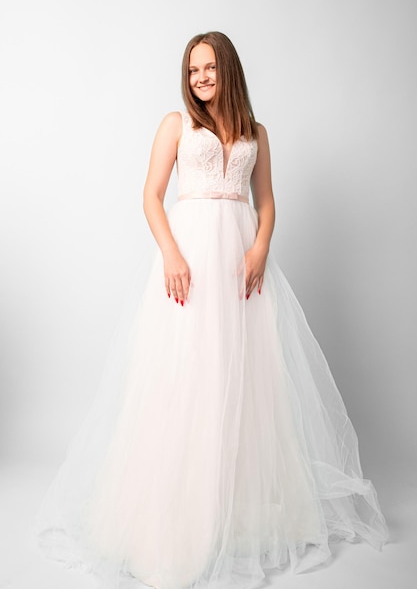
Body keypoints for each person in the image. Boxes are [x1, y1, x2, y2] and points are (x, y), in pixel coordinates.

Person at [35, 31, 389, 589]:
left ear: (228, 69)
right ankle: (176, 524)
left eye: (209, 68)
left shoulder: (256, 133)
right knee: (186, 378)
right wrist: (172, 254)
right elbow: (151, 195)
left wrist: (260, 248)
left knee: (247, 382)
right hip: (192, 259)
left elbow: (266, 201)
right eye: (193, 69)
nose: (200, 78)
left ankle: (243, 519)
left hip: (241, 264)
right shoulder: (177, 124)